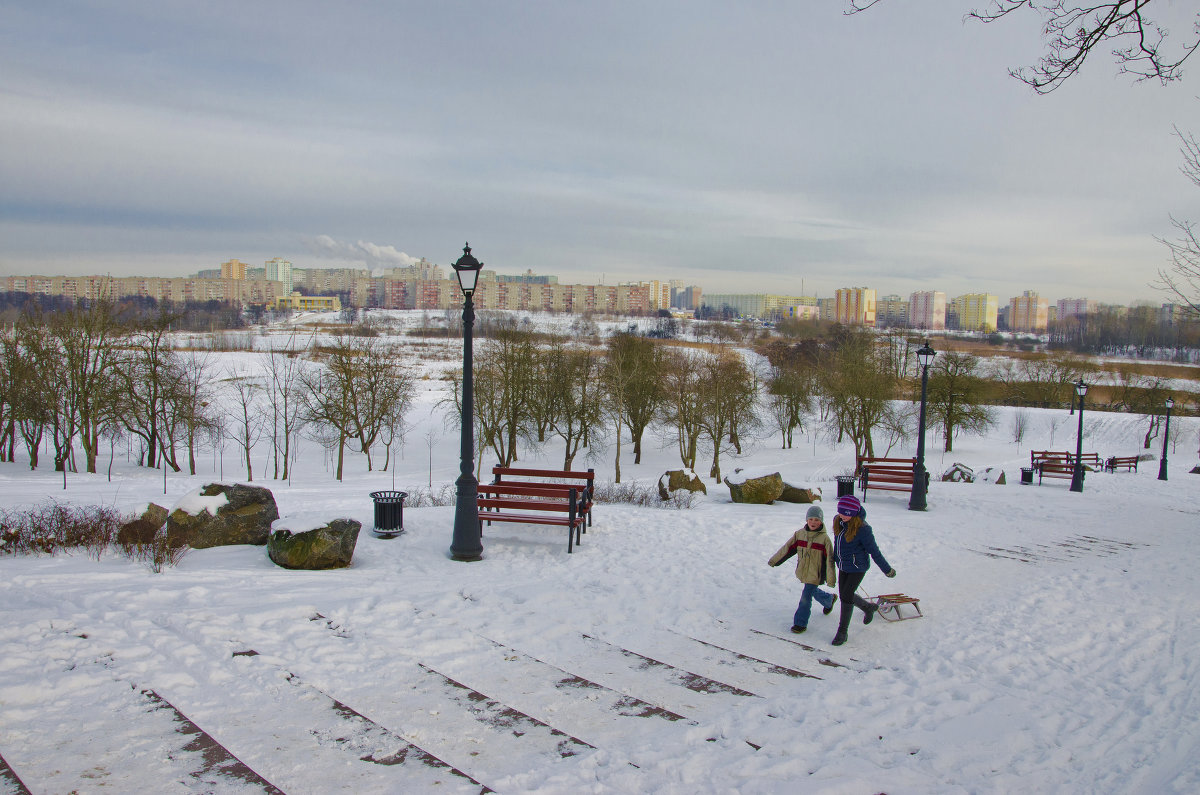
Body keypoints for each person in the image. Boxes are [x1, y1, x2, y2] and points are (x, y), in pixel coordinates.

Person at [830, 494, 896, 647]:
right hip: (843, 565)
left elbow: (874, 551)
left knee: (846, 596)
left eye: (846, 514)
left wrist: (887, 570)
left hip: (857, 567)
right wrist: (834, 558)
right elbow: (838, 543)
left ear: (854, 513)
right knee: (844, 595)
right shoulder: (838, 521)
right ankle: (868, 607)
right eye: (840, 512)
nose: (842, 516)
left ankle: (842, 631)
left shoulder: (863, 529)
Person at [768, 505, 837, 634]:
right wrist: (774, 560)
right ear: (806, 520)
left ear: (821, 521)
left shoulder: (824, 539)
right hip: (804, 571)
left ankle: (800, 623)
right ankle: (829, 600)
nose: (813, 522)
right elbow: (787, 548)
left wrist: (830, 579)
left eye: (816, 520)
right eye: (810, 519)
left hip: (816, 574)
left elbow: (830, 561)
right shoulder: (799, 534)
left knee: (806, 597)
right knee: (810, 591)